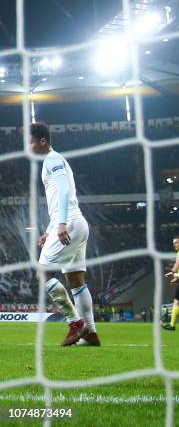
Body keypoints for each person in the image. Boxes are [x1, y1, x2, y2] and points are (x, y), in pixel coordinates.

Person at [31, 122, 100, 347]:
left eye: (30, 141)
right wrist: (50, 229)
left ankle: (75, 322)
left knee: (43, 272)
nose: (28, 146)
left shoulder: (53, 159)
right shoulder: (51, 161)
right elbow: (59, 199)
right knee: (76, 280)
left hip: (69, 222)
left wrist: (60, 224)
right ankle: (90, 333)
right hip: (76, 222)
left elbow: (64, 191)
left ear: (43, 141)